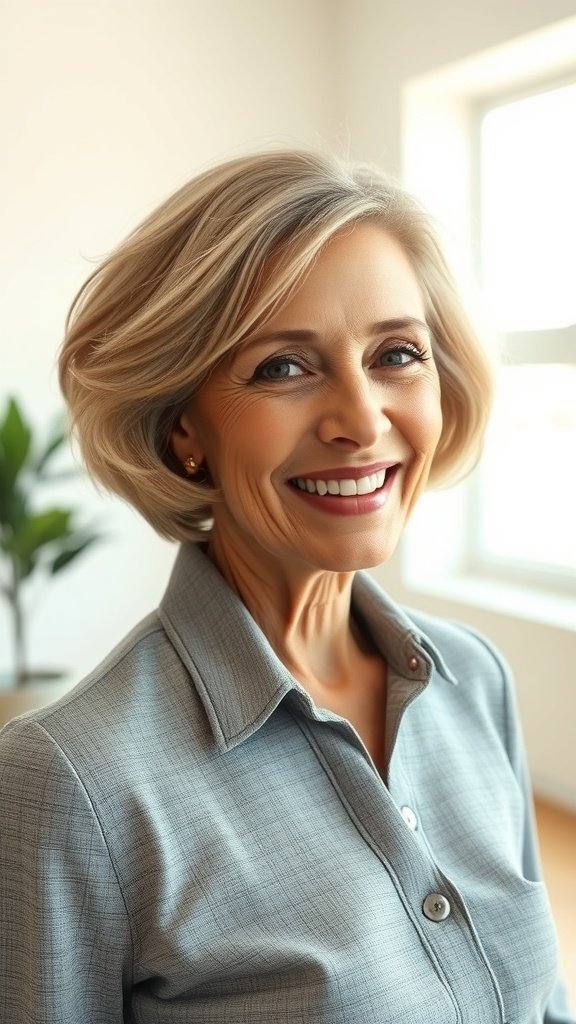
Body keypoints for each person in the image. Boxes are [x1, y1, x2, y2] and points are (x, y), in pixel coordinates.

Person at [0, 150, 573, 1024]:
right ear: (183, 420)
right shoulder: (72, 783)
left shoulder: (473, 679)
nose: (361, 419)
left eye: (397, 354)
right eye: (283, 367)